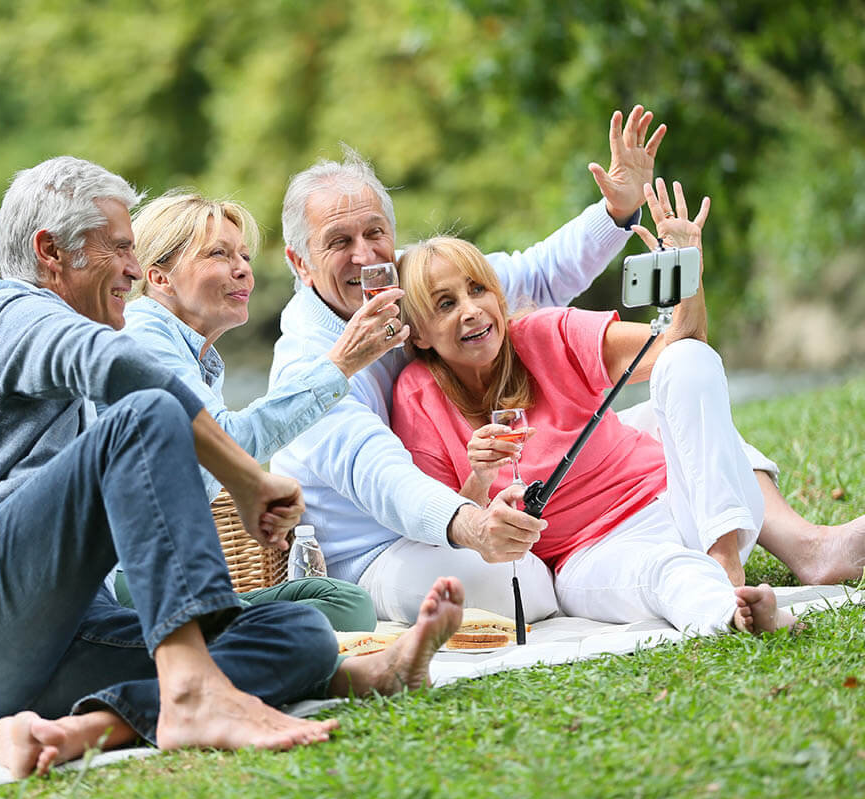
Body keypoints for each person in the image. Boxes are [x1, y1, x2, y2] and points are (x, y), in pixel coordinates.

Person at [0, 155, 465, 780]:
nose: (130, 267)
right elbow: (124, 376)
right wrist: (247, 478)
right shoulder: (6, 313)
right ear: (51, 252)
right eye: (119, 248)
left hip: (22, 658)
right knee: (146, 411)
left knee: (300, 631)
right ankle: (193, 689)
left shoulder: (93, 347)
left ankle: (92, 727)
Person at [268, 108, 863, 627]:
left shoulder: (422, 283)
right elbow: (381, 476)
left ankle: (795, 550)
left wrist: (619, 210)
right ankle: (705, 594)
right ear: (299, 261)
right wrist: (473, 522)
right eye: (338, 241)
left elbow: (538, 276)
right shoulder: (316, 365)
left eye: (376, 233)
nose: (365, 254)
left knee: (680, 397)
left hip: (570, 504)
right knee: (521, 583)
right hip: (385, 545)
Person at [390, 179, 797, 636]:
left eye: (478, 290)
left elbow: (681, 348)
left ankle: (725, 567)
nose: (471, 310)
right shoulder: (416, 395)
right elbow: (447, 524)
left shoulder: (546, 333)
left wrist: (689, 269)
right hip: (592, 553)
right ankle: (732, 613)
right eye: (446, 304)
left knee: (688, 358)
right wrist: (480, 477)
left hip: (685, 508)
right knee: (662, 571)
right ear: (419, 333)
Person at [111, 189, 404, 631]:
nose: (242, 268)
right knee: (326, 622)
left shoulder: (197, 356)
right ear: (160, 278)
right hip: (131, 581)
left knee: (345, 603)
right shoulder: (144, 335)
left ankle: (238, 636)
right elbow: (227, 442)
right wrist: (340, 364)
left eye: (244, 255)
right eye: (219, 254)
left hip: (182, 576)